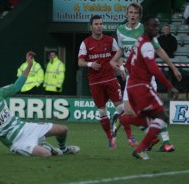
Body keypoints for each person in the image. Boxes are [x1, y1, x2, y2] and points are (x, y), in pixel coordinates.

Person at [0, 51, 80, 157]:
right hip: (17, 141)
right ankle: (45, 146)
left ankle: (63, 148)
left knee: (63, 129)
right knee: (46, 154)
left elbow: (17, 86)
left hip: (26, 127)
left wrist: (29, 65)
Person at [110, 3, 181, 152]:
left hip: (145, 79)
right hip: (132, 78)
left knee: (155, 111)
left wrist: (173, 67)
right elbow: (123, 50)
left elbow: (159, 49)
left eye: (135, 13)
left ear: (139, 15)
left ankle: (166, 142)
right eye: (130, 12)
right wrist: (114, 61)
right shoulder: (121, 30)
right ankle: (151, 138)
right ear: (126, 14)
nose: (132, 15)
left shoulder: (145, 29)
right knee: (130, 111)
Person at [126, 16, 179, 160]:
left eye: (157, 26)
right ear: (145, 27)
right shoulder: (147, 45)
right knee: (162, 116)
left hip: (132, 85)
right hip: (142, 86)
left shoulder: (140, 41)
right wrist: (170, 87)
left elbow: (128, 62)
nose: (155, 29)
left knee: (144, 118)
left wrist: (134, 77)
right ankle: (141, 148)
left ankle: (124, 120)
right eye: (152, 26)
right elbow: (154, 70)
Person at [78, 15, 126, 149]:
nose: (99, 26)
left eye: (101, 24)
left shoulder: (110, 40)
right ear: (91, 26)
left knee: (121, 109)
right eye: (96, 24)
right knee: (102, 112)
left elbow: (118, 56)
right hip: (95, 82)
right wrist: (90, 64)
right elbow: (80, 62)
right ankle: (110, 137)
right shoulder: (85, 43)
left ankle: (115, 123)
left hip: (110, 78)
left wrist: (121, 68)